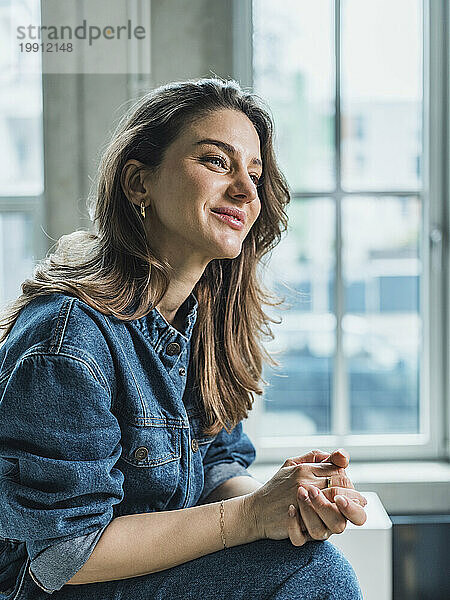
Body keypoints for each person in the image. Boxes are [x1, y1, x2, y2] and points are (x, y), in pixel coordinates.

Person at [0, 77, 366, 600]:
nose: (244, 189)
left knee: (307, 558)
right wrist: (247, 518)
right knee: (316, 575)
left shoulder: (202, 322)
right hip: (51, 588)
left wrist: (291, 506)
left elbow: (217, 464)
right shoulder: (67, 341)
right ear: (137, 183)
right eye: (217, 161)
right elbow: (66, 552)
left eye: (255, 174)